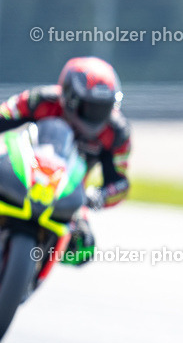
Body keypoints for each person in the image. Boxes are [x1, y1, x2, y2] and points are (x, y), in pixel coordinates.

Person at [0, 56, 131, 264]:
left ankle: (32, 269)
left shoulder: (116, 133)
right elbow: (4, 115)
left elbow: (120, 183)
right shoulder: (41, 99)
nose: (97, 116)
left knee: (82, 248)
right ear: (70, 97)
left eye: (103, 108)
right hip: (24, 171)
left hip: (69, 191)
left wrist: (98, 196)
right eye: (90, 107)